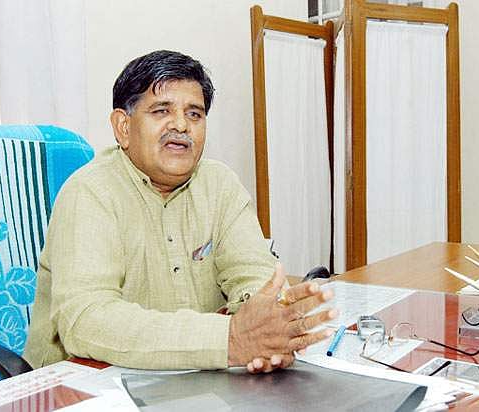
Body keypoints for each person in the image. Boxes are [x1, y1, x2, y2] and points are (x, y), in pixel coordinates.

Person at [24, 50, 336, 373]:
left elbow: (256, 274)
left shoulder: (219, 184)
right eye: (161, 110)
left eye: (194, 114)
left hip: (192, 377)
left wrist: (267, 330)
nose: (181, 125)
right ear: (123, 127)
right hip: (82, 382)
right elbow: (86, 320)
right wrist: (230, 339)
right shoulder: (90, 192)